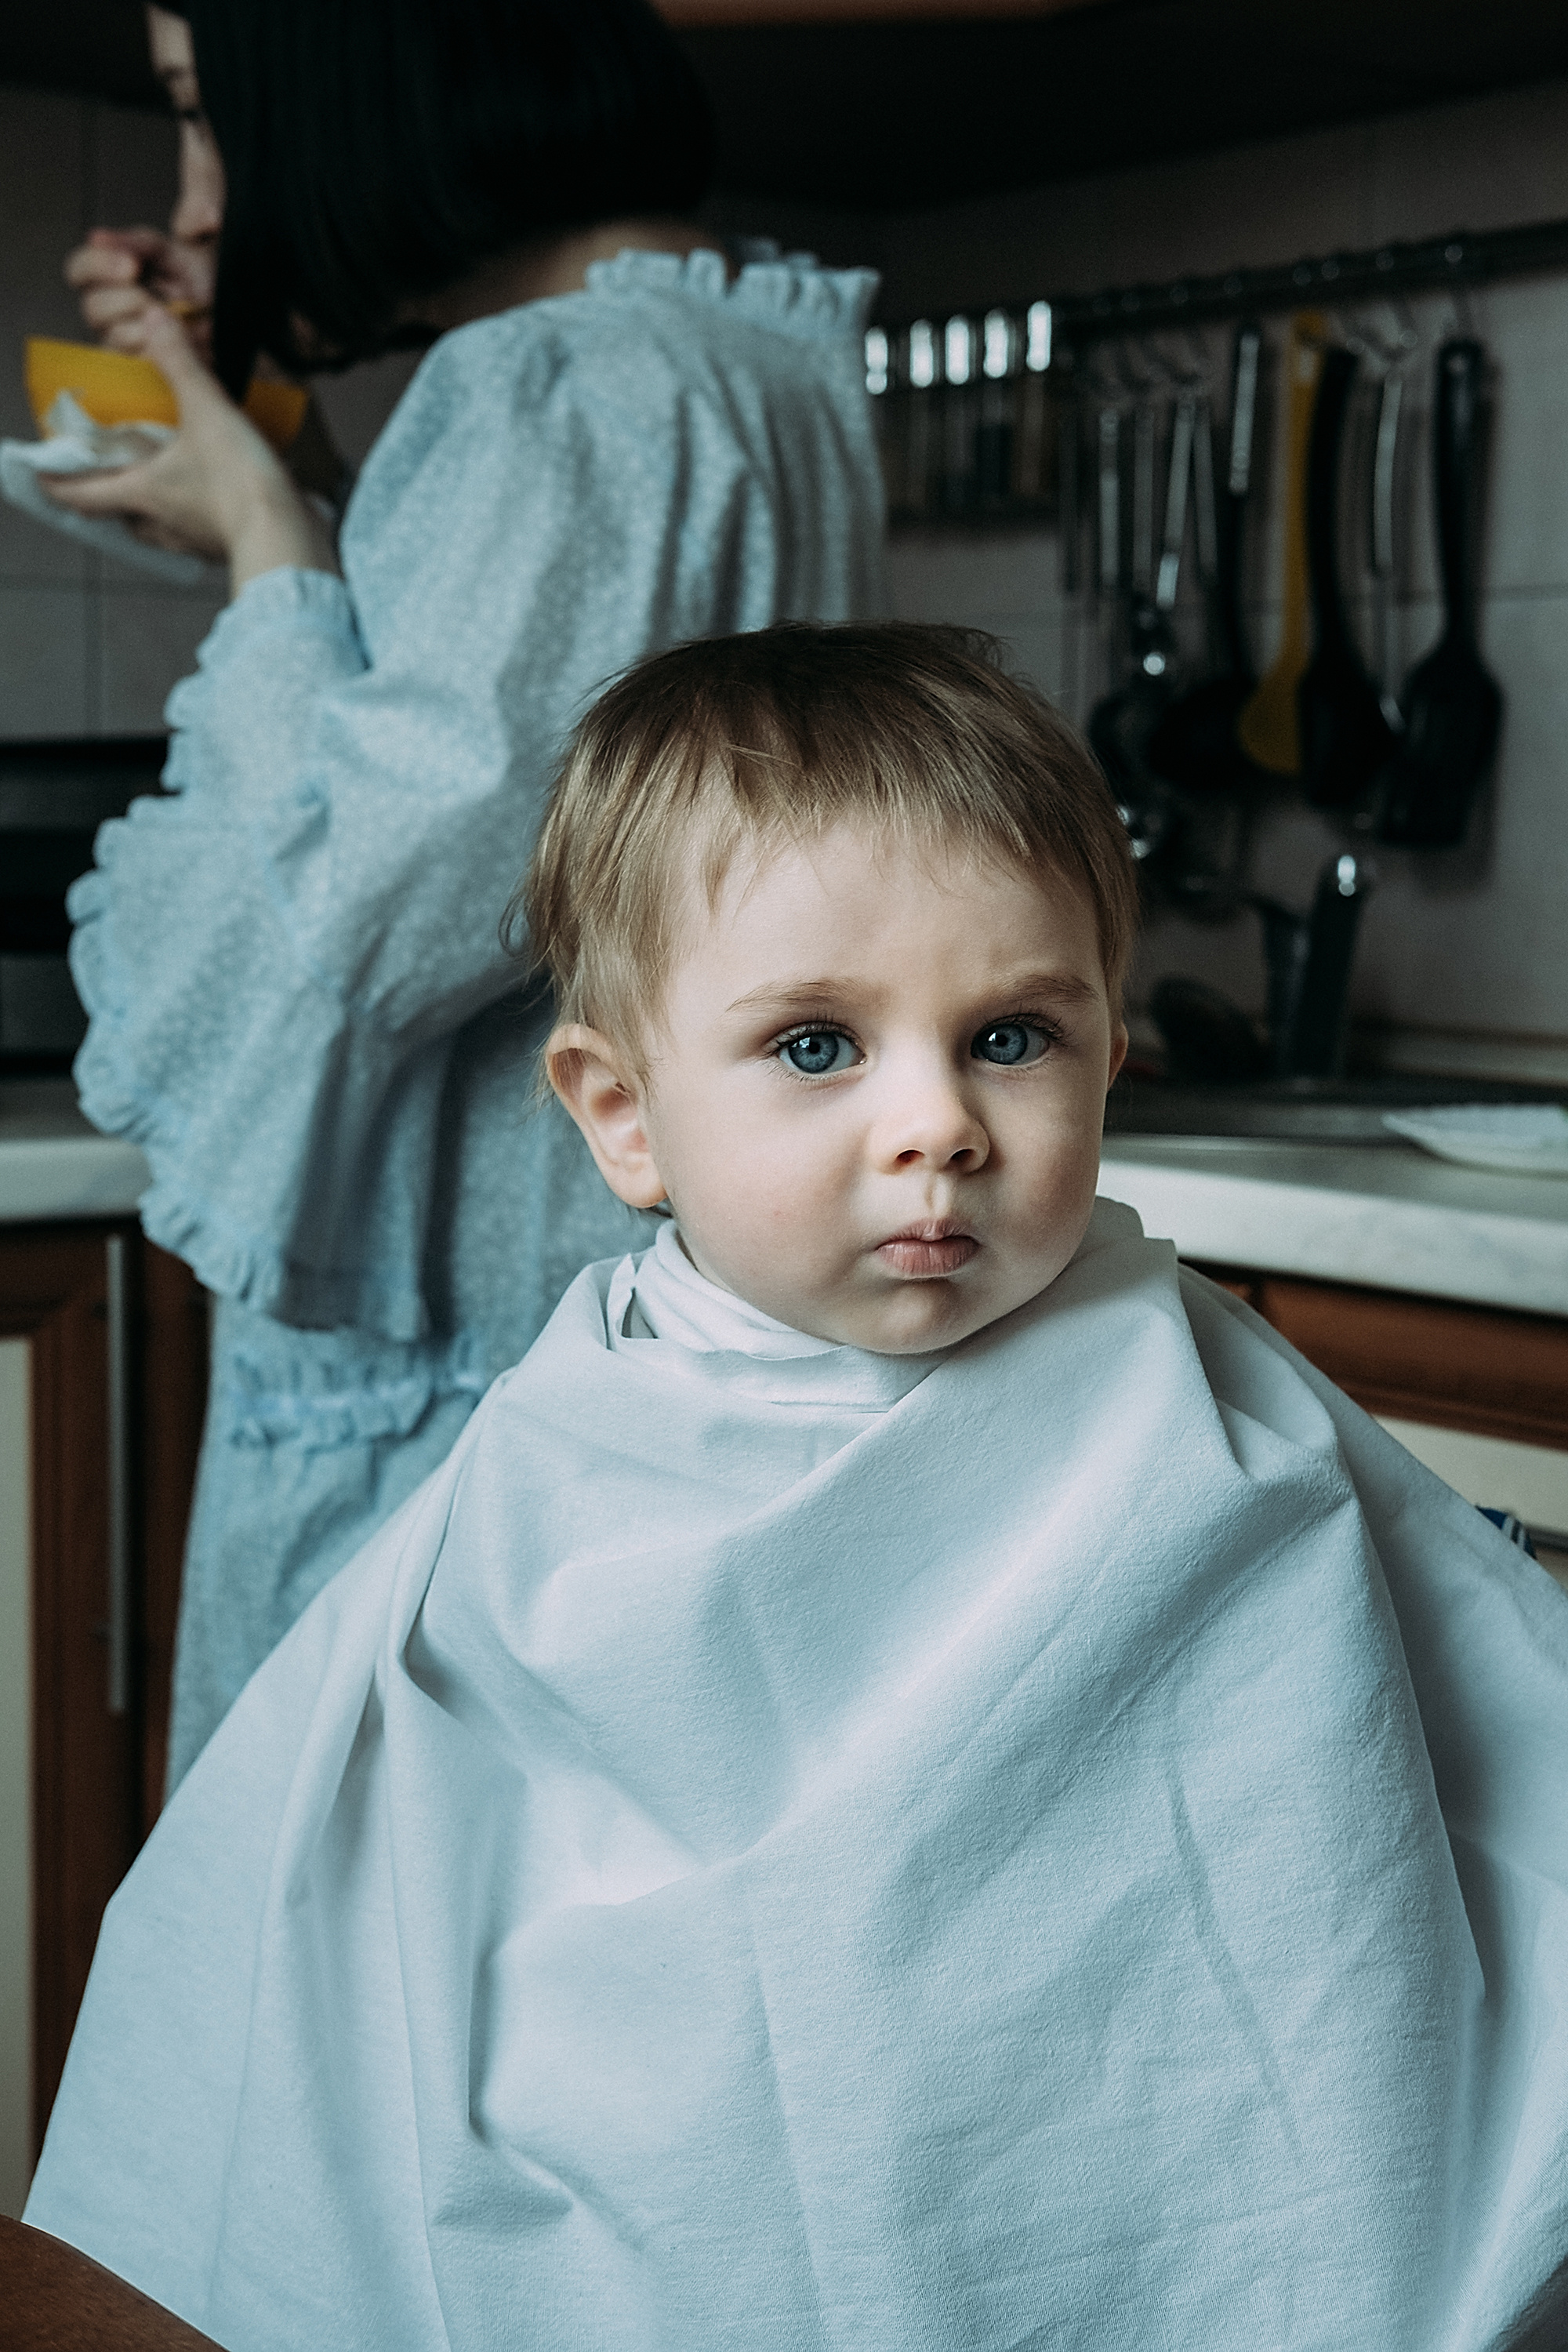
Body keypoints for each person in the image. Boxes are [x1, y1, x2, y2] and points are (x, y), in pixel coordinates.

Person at [25, 625, 1568, 2350]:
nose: (938, 1126)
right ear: (624, 1117)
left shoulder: (1188, 1381)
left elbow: (1472, 1727)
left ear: (1107, 1055)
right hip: (680, 2197)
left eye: (1010, 1037)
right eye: (819, 1049)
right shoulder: (576, 1440)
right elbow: (338, 1862)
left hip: (1148, 2167)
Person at [48, 0, 884, 1785]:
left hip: (458, 1363)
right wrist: (294, 487)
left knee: (341, 1940)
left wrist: (268, 543)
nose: (200, 190)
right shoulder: (761, 374)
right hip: (634, 1336)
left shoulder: (542, 391)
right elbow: (549, 753)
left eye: (207, 115)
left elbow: (382, 907)